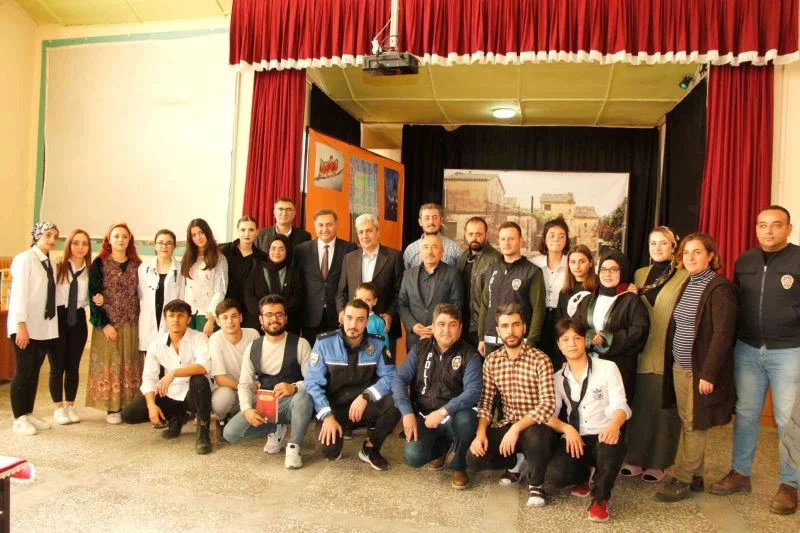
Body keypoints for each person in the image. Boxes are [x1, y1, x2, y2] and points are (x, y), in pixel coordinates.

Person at [710, 205, 800, 514]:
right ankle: (740, 473)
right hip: (747, 350)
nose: (769, 230)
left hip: (788, 351)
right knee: (746, 414)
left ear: (788, 228)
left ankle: (790, 484)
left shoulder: (798, 259)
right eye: (763, 225)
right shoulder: (745, 260)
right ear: (756, 229)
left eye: (776, 225)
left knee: (788, 420)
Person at [656, 233, 737, 502]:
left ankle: (682, 478)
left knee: (694, 423)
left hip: (699, 371)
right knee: (688, 421)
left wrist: (708, 374)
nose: (690, 257)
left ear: (711, 256)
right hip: (681, 367)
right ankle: (698, 475)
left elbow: (722, 335)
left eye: (697, 252)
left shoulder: (719, 288)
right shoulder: (688, 282)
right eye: (686, 252)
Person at [468, 303, 556, 507]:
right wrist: (480, 433)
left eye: (516, 325)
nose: (511, 331)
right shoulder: (492, 361)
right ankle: (517, 460)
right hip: (508, 425)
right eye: (505, 326)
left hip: (537, 426)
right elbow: (486, 402)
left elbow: (547, 405)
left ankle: (536, 484)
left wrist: (516, 428)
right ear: (498, 330)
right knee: (474, 458)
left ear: (524, 327)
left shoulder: (541, 359)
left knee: (536, 437)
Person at [544, 318, 631, 523]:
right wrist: (567, 429)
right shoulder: (557, 378)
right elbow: (548, 414)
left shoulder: (608, 368)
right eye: (565, 339)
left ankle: (600, 499)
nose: (572, 344)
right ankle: (584, 474)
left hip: (603, 433)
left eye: (577, 338)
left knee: (612, 444)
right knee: (554, 477)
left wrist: (614, 425)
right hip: (576, 437)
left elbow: (621, 405)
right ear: (558, 345)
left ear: (585, 340)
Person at [622, 227, 686, 483]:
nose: (658, 248)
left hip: (667, 352)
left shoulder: (684, 276)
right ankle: (635, 457)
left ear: (673, 247)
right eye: (653, 243)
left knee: (663, 410)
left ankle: (659, 462)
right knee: (639, 407)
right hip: (638, 353)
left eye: (663, 243)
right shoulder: (639, 274)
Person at [393, 303, 482, 489]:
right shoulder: (420, 349)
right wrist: (407, 412)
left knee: (466, 420)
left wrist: (443, 412)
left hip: (455, 416)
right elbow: (400, 379)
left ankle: (459, 464)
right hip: (425, 416)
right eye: (441, 324)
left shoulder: (470, 354)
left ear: (460, 328)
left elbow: (473, 391)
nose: (446, 330)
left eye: (452, 324)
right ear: (432, 327)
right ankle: (442, 449)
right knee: (413, 457)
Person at [306, 298, 401, 471]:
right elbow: (313, 383)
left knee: (396, 402)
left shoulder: (378, 344)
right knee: (328, 451)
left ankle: (370, 447)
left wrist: (367, 395)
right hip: (334, 409)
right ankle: (337, 432)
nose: (353, 324)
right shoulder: (324, 343)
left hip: (363, 407)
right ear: (342, 318)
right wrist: (327, 416)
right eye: (349, 318)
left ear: (367, 322)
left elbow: (390, 377)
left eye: (360, 319)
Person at [222, 295, 313, 469]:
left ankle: (294, 447)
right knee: (231, 433)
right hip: (266, 405)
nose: (274, 319)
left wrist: (295, 387)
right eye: (269, 315)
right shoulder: (253, 347)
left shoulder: (301, 344)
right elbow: (244, 384)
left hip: (292, 404)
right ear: (261, 319)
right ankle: (275, 428)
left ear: (286, 318)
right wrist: (247, 409)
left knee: (304, 396)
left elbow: (313, 381)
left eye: (279, 315)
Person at [121, 299, 214, 455]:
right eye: (171, 316)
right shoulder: (156, 345)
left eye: (180, 316)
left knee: (199, 380)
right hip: (171, 393)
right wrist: (151, 406)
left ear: (188, 319)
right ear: (165, 319)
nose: (175, 320)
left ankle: (203, 433)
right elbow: (149, 378)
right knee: (129, 414)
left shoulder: (199, 338)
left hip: (194, 395)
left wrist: (173, 372)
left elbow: (204, 366)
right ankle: (176, 418)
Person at [573, 251, 650, 402]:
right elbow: (574, 325)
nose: (607, 274)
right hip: (588, 364)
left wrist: (607, 338)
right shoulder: (588, 300)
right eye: (603, 269)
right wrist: (589, 337)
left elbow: (639, 331)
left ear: (623, 271)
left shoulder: (631, 300)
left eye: (614, 269)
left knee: (615, 409)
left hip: (619, 367)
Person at [86, 222, 142, 424]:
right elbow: (93, 296)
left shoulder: (137, 264)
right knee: (111, 361)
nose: (121, 240)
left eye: (125, 236)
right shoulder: (99, 263)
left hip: (132, 322)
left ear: (130, 240)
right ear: (109, 239)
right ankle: (112, 407)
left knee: (130, 360)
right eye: (116, 236)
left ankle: (129, 404)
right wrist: (104, 323)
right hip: (109, 323)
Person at [8, 222, 60, 435]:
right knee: (23, 371)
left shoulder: (50, 262)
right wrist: (20, 325)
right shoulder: (25, 259)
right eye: (48, 235)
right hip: (25, 326)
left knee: (34, 372)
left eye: (55, 236)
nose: (52, 240)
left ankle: (28, 413)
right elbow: (19, 294)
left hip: (43, 327)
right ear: (37, 235)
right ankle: (18, 418)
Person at [477, 222, 546, 357]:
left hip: (519, 343)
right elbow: (485, 304)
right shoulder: (492, 269)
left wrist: (531, 341)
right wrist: (481, 337)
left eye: (511, 238)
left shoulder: (532, 272)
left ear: (520, 240)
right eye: (503, 239)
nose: (506, 243)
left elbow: (539, 309)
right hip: (491, 342)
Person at [292, 208, 356, 346]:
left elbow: (351, 283)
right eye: (320, 225)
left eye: (329, 224)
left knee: (337, 354)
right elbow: (296, 283)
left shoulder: (350, 249)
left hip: (338, 315)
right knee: (311, 355)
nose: (325, 229)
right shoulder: (301, 250)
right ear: (315, 226)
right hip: (310, 316)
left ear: (336, 225)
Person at [337, 214, 404, 341]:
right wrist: (342, 311)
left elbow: (400, 292)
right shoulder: (349, 258)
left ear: (378, 232)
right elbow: (341, 291)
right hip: (354, 325)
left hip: (383, 324)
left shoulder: (394, 257)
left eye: (369, 231)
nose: (365, 236)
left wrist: (390, 314)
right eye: (361, 232)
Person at [50, 228, 91, 425]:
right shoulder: (57, 266)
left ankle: (70, 405)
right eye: (76, 243)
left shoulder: (90, 270)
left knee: (73, 366)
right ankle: (58, 408)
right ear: (69, 245)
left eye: (84, 243)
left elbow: (92, 296)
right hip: (58, 318)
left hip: (78, 319)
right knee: (57, 366)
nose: (80, 247)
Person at [397, 234, 464, 349]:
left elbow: (457, 304)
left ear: (442, 252)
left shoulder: (453, 274)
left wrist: (436, 327)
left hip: (443, 337)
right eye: (426, 247)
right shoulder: (408, 275)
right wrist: (413, 325)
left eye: (434, 247)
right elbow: (402, 304)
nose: (429, 251)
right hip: (415, 338)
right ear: (420, 252)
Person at [207, 299, 260, 422]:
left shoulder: (253, 334)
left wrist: (254, 387)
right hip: (228, 389)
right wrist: (247, 387)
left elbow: (260, 368)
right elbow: (221, 379)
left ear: (240, 318)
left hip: (252, 390)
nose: (230, 321)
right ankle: (223, 419)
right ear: (218, 321)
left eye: (234, 316)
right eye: (225, 317)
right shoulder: (215, 339)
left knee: (269, 401)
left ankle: (240, 420)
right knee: (223, 400)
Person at [243, 234, 302, 333]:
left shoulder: (294, 274)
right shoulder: (256, 271)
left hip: (287, 325)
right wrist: (264, 318)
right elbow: (249, 297)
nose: (276, 252)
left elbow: (296, 298)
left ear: (287, 251)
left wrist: (279, 316)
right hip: (259, 325)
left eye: (281, 249)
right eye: (273, 248)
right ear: (268, 250)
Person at [456, 216, 501, 347]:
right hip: (463, 324)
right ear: (465, 235)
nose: (474, 238)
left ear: (486, 234)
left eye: (478, 234)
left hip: (482, 326)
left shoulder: (495, 259)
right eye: (470, 234)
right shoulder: (463, 256)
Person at [531, 216, 570, 366]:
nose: (556, 239)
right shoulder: (534, 263)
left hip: (562, 316)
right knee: (538, 359)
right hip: (538, 317)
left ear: (566, 240)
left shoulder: (571, 264)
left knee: (560, 360)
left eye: (561, 236)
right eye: (552, 235)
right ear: (544, 239)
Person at [138, 229, 183, 352]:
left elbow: (182, 297)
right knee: (150, 358)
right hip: (149, 320)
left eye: (169, 243)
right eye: (161, 243)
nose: (164, 246)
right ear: (155, 245)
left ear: (174, 246)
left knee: (170, 356)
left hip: (172, 320)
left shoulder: (180, 269)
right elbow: (138, 294)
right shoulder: (144, 268)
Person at [181, 218, 228, 337]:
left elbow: (220, 290)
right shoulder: (188, 258)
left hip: (207, 314)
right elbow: (184, 287)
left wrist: (211, 319)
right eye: (194, 235)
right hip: (189, 313)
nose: (198, 237)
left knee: (205, 347)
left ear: (207, 233)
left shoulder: (219, 259)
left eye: (201, 232)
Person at [221, 216, 267, 325]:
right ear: (237, 231)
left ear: (257, 232)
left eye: (251, 230)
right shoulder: (224, 252)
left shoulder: (262, 257)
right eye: (243, 230)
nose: (247, 234)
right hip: (226, 307)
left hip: (250, 311)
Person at [403, 203, 461, 269]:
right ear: (420, 222)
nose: (431, 222)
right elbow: (407, 274)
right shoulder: (410, 250)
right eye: (427, 218)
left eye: (435, 218)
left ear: (441, 221)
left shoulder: (454, 248)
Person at [556, 245, 598, 320]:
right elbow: (560, 322)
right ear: (568, 264)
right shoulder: (564, 292)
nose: (577, 266)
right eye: (573, 262)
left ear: (591, 263)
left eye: (582, 262)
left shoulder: (600, 287)